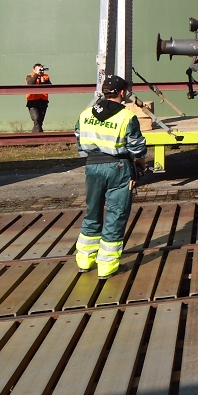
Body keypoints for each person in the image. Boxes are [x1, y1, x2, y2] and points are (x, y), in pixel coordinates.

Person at [73, 75, 147, 279]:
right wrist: (140, 163)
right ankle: (106, 266)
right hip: (118, 167)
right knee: (116, 214)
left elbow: (79, 138)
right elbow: (136, 147)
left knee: (92, 211)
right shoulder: (126, 117)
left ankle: (85, 259)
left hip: (93, 166)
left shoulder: (86, 113)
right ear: (122, 93)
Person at [25, 63, 51, 132]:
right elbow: (30, 83)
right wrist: (36, 74)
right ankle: (38, 137)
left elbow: (50, 87)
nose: (41, 71)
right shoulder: (30, 76)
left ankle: (36, 137)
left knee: (39, 122)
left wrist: (44, 82)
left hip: (43, 101)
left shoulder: (46, 76)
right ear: (34, 70)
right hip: (33, 101)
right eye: (39, 69)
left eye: (41, 69)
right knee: (36, 119)